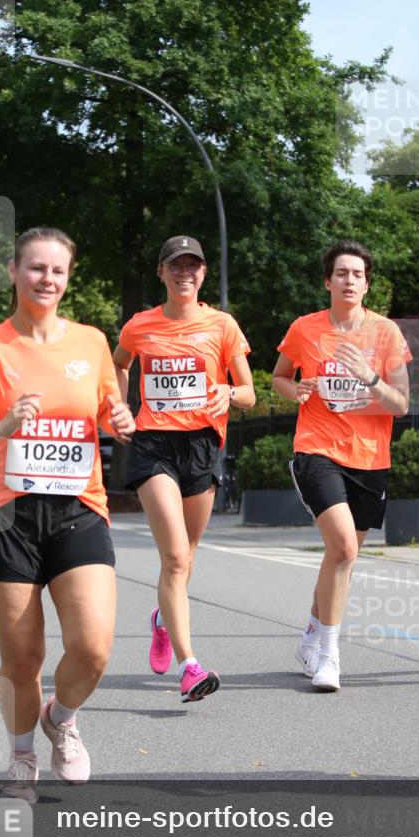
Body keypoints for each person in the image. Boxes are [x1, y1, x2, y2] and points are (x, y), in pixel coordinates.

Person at [0, 227, 135, 800]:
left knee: (92, 647)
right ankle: (21, 758)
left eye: (58, 271)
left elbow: (108, 403)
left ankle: (61, 719)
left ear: (69, 279)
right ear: (15, 273)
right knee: (22, 658)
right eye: (36, 268)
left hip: (79, 509)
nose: (47, 279)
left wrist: (119, 419)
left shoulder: (91, 342)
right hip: (5, 516)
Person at [112, 235, 255, 702]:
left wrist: (228, 393)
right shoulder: (140, 326)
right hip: (154, 445)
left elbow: (250, 393)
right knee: (175, 557)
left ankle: (161, 618)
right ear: (163, 273)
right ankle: (190, 665)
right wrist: (118, 405)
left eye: (193, 265)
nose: (185, 273)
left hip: (202, 446)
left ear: (203, 273)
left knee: (187, 556)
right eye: (176, 265)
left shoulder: (222, 325)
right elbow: (119, 364)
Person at [273, 240, 411, 692]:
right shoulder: (305, 329)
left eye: (357, 274)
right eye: (341, 273)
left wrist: (369, 377)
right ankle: (329, 653)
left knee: (340, 557)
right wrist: (296, 392)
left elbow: (402, 404)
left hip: (370, 458)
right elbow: (279, 377)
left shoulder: (386, 333)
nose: (349, 280)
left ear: (366, 283)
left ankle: (311, 635)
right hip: (317, 449)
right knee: (344, 549)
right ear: (327, 281)